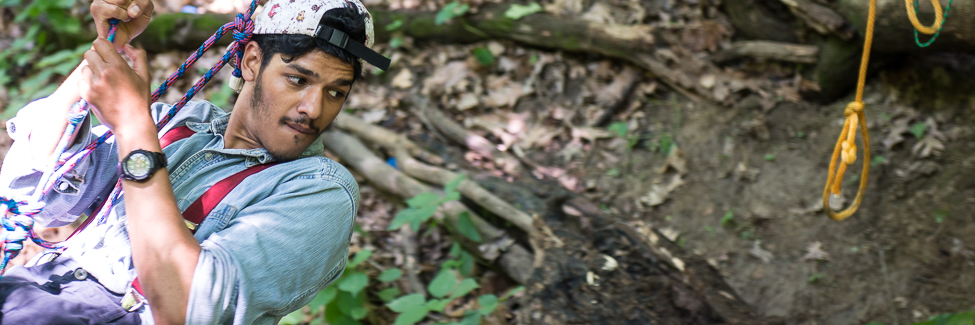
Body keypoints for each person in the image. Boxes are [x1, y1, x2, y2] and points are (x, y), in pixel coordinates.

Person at [0, 0, 388, 323]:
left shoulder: (320, 190)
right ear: (252, 61)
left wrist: (135, 128)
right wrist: (108, 46)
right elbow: (39, 193)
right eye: (298, 80)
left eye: (336, 92)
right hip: (34, 291)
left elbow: (186, 308)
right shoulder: (183, 124)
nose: (313, 109)